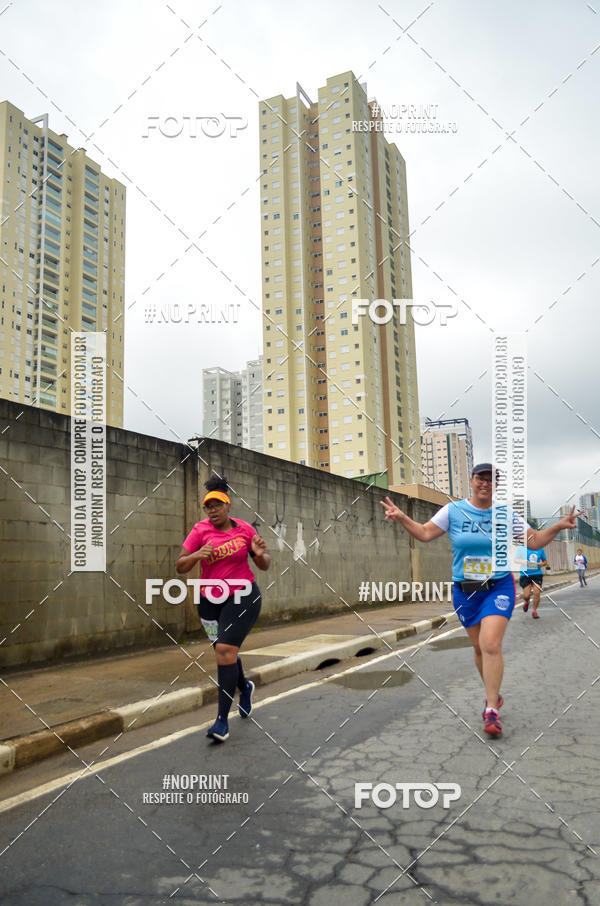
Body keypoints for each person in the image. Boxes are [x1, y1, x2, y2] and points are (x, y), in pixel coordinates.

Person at [381, 463, 582, 737]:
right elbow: (426, 533)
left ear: (496, 484)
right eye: (480, 478)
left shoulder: (506, 514)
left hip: (498, 587)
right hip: (465, 591)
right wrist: (403, 518)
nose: (485, 483)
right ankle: (494, 694)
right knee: (478, 648)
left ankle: (491, 709)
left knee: (490, 644)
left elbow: (533, 542)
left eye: (491, 479)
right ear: (472, 481)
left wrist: (558, 525)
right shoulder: (453, 510)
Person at [176, 475, 271, 743]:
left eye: (217, 505)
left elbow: (264, 564)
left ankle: (221, 721)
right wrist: (196, 556)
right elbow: (180, 565)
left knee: (225, 650)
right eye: (208, 506)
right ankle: (245, 686)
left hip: (242, 595)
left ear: (228, 506)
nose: (213, 510)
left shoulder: (244, 530)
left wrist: (261, 553)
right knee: (223, 652)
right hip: (209, 598)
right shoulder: (199, 531)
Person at [518, 547, 548, 619]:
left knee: (537, 592)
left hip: (537, 574)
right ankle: (527, 602)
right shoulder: (521, 548)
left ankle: (534, 611)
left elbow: (545, 561)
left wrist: (542, 563)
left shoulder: (540, 549)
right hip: (524, 574)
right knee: (526, 596)